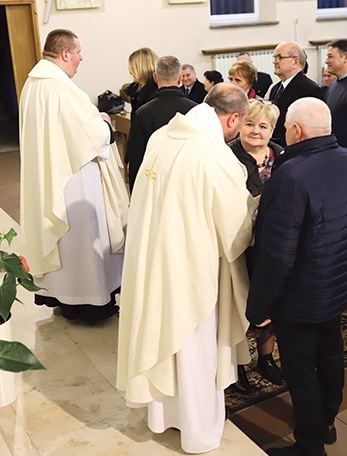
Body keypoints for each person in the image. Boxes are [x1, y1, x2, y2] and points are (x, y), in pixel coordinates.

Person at [116, 83, 255, 453]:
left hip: (155, 259)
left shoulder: (164, 135)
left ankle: (164, 417)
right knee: (194, 348)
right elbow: (236, 227)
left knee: (165, 337)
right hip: (192, 269)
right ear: (234, 118)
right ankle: (198, 431)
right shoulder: (212, 154)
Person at [247, 97, 347, 456]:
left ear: (296, 131)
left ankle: (310, 445)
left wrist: (260, 306)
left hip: (300, 292)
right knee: (330, 353)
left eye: (284, 128)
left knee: (301, 370)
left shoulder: (291, 174)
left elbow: (277, 252)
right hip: (338, 280)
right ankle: (327, 420)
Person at [20, 29, 129, 321]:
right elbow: (90, 136)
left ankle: (61, 296)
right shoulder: (62, 89)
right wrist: (104, 122)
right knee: (80, 236)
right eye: (78, 52)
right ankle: (88, 302)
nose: (82, 57)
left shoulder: (32, 84)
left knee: (59, 240)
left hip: (49, 176)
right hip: (74, 180)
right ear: (65, 54)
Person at [228, 99, 284, 393]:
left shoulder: (282, 155)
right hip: (239, 245)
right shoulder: (227, 157)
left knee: (272, 301)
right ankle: (236, 367)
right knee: (239, 304)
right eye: (249, 123)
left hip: (273, 244)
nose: (254, 131)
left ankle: (266, 358)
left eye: (263, 126)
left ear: (272, 129)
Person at [125, 56, 197, 192]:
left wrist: (135, 195)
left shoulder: (143, 113)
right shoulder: (195, 110)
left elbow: (137, 159)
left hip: (155, 181)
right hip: (188, 181)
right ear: (180, 78)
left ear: (155, 77)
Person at [268, 41, 324, 146]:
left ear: (295, 61)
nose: (275, 61)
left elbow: (314, 129)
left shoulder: (309, 89)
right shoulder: (276, 88)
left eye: (280, 57)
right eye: (274, 57)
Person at [124, 47, 158, 113]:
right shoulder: (135, 89)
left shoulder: (155, 92)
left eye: (132, 67)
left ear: (141, 68)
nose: (130, 72)